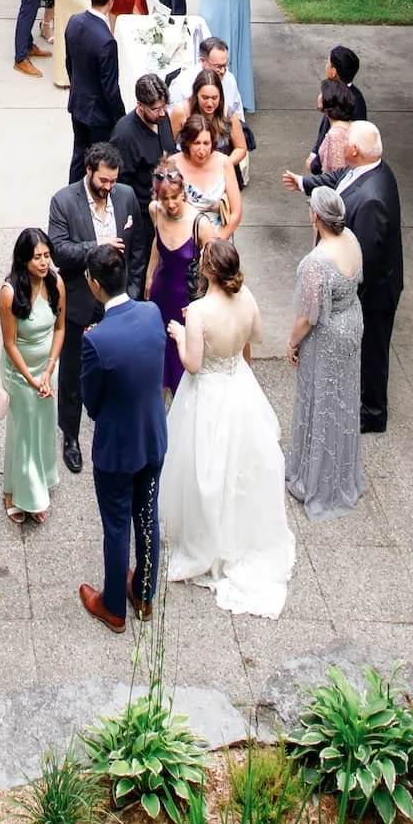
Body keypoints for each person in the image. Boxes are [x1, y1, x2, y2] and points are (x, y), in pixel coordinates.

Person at [161, 235, 296, 617]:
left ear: (207, 269)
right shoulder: (247, 298)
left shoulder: (198, 311)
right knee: (238, 463)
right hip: (238, 385)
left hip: (208, 394)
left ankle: (205, 539)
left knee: (204, 465)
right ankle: (236, 533)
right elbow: (255, 337)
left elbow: (193, 365)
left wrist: (180, 334)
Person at [78, 241, 169, 632]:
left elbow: (91, 402)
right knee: (147, 517)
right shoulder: (151, 313)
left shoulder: (96, 341)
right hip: (152, 437)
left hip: (116, 448)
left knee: (117, 526)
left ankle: (113, 605)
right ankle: (144, 596)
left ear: (95, 284)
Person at [47, 145, 140, 477]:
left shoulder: (126, 196)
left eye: (113, 180)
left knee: (118, 369)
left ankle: (115, 428)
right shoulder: (64, 201)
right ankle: (70, 436)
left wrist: (132, 290)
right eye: (103, 180)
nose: (109, 186)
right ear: (89, 171)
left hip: (117, 301)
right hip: (80, 302)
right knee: (72, 374)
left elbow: (138, 247)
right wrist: (96, 247)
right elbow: (59, 251)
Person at [285, 186, 366, 520]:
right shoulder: (352, 239)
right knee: (343, 398)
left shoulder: (317, 262)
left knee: (319, 399)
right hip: (352, 322)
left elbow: (307, 316)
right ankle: (341, 471)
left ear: (315, 216)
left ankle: (315, 478)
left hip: (328, 335)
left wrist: (292, 342)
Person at [337, 123, 404, 433]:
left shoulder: (371, 201)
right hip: (379, 284)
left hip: (376, 294)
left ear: (355, 151)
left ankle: (372, 413)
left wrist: (347, 299)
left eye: (346, 141)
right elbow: (340, 181)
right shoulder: (372, 169)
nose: (343, 144)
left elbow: (363, 259)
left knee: (373, 352)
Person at [0, 227, 64, 523]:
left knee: (44, 426)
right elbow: (9, 343)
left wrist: (49, 370)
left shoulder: (56, 283)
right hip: (20, 372)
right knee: (23, 432)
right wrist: (31, 379)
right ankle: (16, 492)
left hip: (47, 368)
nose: (43, 262)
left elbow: (60, 328)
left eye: (46, 255)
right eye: (37, 257)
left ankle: (40, 482)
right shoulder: (10, 292)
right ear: (24, 259)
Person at [144, 164, 209, 397]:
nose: (170, 204)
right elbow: (156, 242)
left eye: (175, 197)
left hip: (186, 300)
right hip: (161, 294)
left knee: (184, 364)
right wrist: (149, 277)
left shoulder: (200, 224)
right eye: (165, 199)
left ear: (184, 192)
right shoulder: (155, 210)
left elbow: (213, 269)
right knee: (160, 361)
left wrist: (204, 304)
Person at [108, 74, 175, 292]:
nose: (162, 113)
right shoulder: (124, 136)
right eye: (156, 109)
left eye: (164, 107)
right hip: (143, 219)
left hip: (168, 207)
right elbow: (119, 187)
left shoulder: (162, 119)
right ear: (140, 105)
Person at [64, 0, 124, 181]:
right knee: (100, 162)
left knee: (79, 154)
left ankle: (72, 191)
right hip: (98, 115)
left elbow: (69, 62)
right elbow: (110, 88)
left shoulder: (74, 22)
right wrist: (121, 118)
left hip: (78, 103)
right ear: (110, 1)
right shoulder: (107, 41)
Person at [166, 110, 242, 240]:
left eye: (206, 143)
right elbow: (162, 208)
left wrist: (215, 242)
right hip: (182, 238)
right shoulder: (172, 165)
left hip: (218, 238)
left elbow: (236, 212)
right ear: (187, 142)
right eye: (196, 143)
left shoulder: (224, 162)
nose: (202, 150)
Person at [284, 78, 357, 192]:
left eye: (322, 93)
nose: (319, 96)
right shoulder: (348, 127)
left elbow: (336, 177)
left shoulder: (335, 136)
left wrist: (303, 183)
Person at [168, 34, 245, 127]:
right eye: (218, 66)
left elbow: (238, 112)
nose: (223, 71)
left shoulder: (229, 78)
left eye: (225, 65)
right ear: (203, 61)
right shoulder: (182, 83)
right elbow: (172, 120)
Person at [171, 65, 237, 159]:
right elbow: (167, 148)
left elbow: (240, 148)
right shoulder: (180, 112)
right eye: (205, 98)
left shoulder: (227, 113)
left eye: (214, 98)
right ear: (196, 95)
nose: (210, 103)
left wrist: (225, 164)